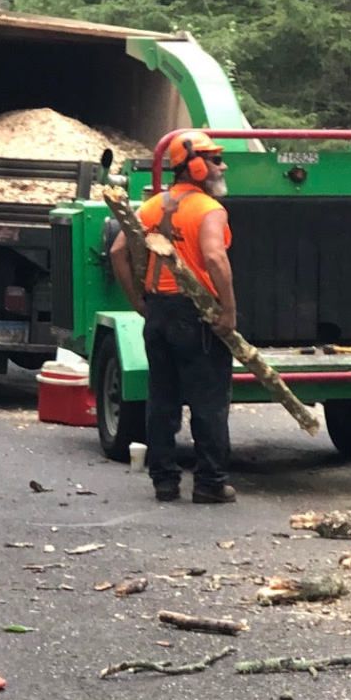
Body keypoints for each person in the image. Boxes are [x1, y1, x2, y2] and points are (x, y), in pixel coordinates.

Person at [109, 129, 238, 505]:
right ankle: (210, 483)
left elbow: (118, 251)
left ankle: (164, 481)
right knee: (208, 401)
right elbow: (214, 257)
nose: (222, 166)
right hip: (196, 315)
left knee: (162, 399)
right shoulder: (209, 209)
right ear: (195, 167)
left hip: (159, 312)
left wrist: (138, 300)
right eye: (215, 160)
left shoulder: (151, 207)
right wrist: (229, 310)